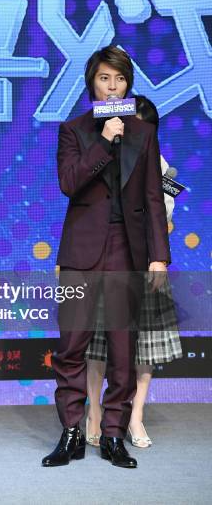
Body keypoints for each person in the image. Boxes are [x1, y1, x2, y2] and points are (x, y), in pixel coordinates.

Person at [42, 46, 170, 469]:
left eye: (119, 80)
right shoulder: (74, 130)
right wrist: (103, 140)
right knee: (71, 347)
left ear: (128, 84)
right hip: (81, 252)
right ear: (91, 83)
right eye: (104, 79)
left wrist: (159, 257)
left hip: (126, 251)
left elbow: (153, 197)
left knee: (122, 349)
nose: (112, 86)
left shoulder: (143, 133)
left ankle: (114, 434)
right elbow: (69, 183)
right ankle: (73, 432)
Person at [85, 96, 182, 449]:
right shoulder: (100, 155)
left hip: (145, 265)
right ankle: (94, 412)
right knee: (97, 346)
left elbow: (164, 218)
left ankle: (135, 415)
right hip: (107, 262)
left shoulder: (162, 168)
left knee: (143, 351)